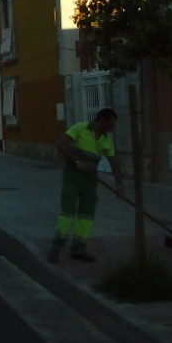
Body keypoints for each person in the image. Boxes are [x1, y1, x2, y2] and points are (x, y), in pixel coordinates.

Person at [48, 108, 124, 263]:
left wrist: (119, 185)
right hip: (72, 177)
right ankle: (56, 248)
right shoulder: (80, 128)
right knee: (68, 212)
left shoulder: (106, 140)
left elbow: (114, 163)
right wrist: (77, 161)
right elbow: (60, 144)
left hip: (90, 180)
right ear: (101, 120)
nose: (111, 128)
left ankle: (79, 249)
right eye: (109, 124)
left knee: (87, 215)